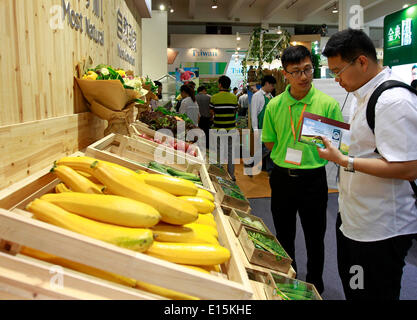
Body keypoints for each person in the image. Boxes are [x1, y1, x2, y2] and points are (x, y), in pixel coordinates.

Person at [319, 28, 417, 300]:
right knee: (356, 289)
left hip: (380, 229)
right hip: (355, 220)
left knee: (372, 293)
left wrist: (345, 161)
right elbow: (369, 149)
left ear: (362, 61)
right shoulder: (363, 96)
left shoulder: (393, 101)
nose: (336, 79)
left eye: (338, 71)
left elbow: (409, 167)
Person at [262, 45, 344, 294]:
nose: (303, 76)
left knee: (315, 236)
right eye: (296, 71)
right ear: (284, 74)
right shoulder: (275, 105)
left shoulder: (327, 104)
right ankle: (290, 280)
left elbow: (337, 144)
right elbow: (269, 141)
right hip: (282, 178)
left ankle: (315, 283)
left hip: (313, 180)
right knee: (284, 234)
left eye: (308, 69)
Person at [210, 75, 239, 181]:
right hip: (231, 129)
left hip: (218, 129)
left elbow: (212, 113)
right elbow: (235, 111)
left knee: (219, 152)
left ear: (220, 84)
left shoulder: (214, 98)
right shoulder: (234, 98)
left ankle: (221, 175)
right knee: (231, 152)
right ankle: (232, 175)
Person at [251, 75, 277, 175]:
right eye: (272, 85)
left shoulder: (271, 96)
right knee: (265, 148)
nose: (273, 87)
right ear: (266, 83)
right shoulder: (257, 96)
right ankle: (253, 162)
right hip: (261, 127)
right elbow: (254, 114)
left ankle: (269, 169)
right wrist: (255, 129)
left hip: (271, 127)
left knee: (270, 148)